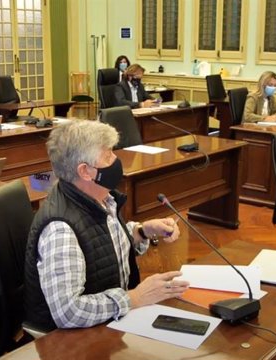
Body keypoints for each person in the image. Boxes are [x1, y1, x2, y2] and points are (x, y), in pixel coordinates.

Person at [24, 120, 188, 332]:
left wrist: (143, 231)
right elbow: (68, 312)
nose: (116, 160)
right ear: (85, 171)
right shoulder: (60, 229)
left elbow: (102, 241)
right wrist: (134, 297)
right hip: (68, 340)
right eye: (108, 155)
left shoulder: (100, 198)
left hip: (108, 320)